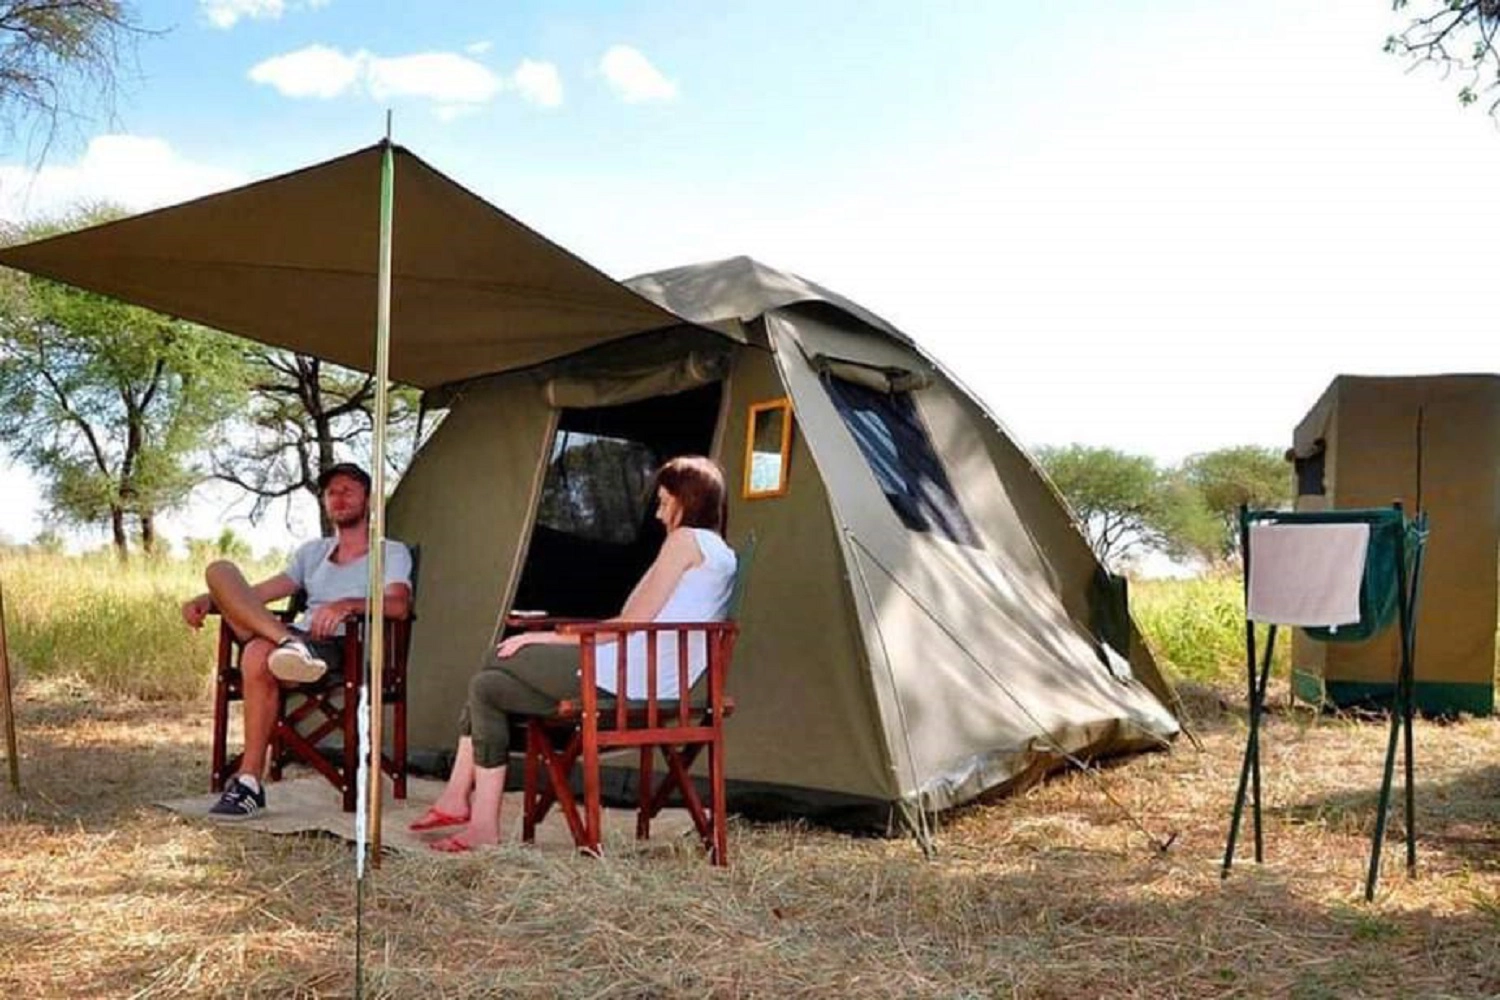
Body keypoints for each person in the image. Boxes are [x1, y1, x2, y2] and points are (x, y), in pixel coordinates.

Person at [411, 455, 736, 853]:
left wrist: (545, 638)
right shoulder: (721, 552)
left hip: (627, 679)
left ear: (688, 500)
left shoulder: (685, 540)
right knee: (487, 688)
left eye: (664, 501)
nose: (658, 513)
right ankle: (477, 821)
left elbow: (630, 622)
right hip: (657, 680)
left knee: (500, 655)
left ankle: (457, 798)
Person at [181, 462, 413, 819]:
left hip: (339, 647)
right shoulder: (312, 552)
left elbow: (398, 605)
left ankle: (248, 783)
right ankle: (289, 645)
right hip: (298, 640)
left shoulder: (390, 551)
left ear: (368, 499)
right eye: (332, 492)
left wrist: (347, 604)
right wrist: (208, 600)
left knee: (258, 651)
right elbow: (257, 594)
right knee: (219, 571)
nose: (339, 497)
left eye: (348, 489)